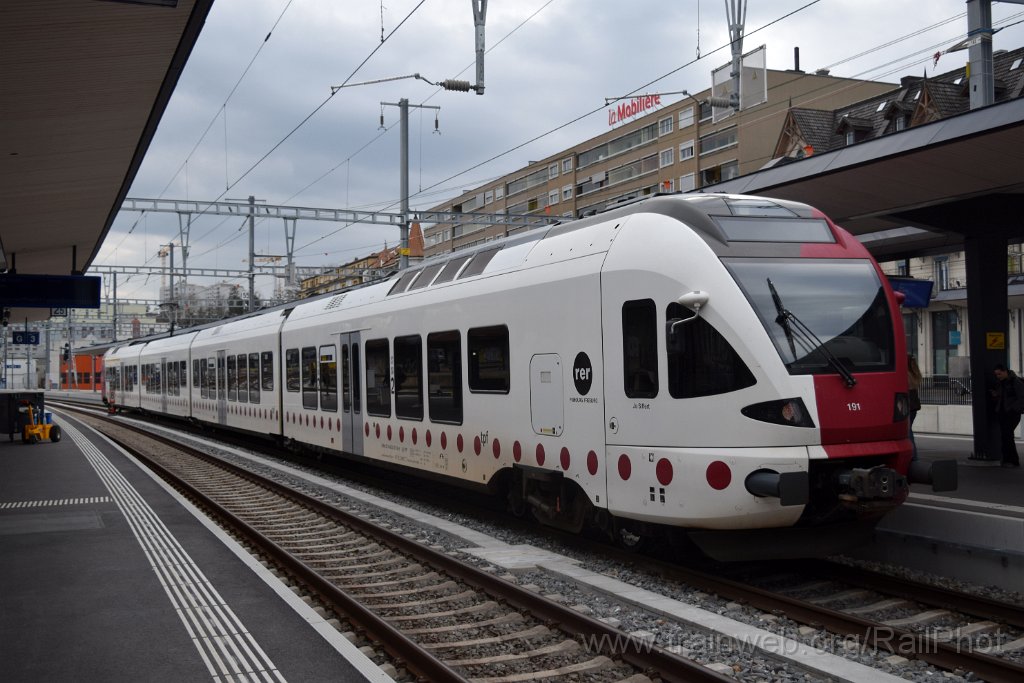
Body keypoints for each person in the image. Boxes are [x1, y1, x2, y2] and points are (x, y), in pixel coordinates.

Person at [991, 363, 1024, 468]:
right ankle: (1008, 459)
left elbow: (1022, 397)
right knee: (1005, 436)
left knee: (1007, 436)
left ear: (1005, 371)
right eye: (996, 375)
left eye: (999, 374)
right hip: (1002, 412)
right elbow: (1004, 397)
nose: (998, 376)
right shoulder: (1001, 383)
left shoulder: (1015, 382)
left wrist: (1013, 409)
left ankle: (1012, 460)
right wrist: (996, 395)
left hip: (1011, 413)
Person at [907, 355, 922, 461]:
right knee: (909, 431)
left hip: (907, 408)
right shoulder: (915, 374)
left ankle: (913, 456)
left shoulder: (905, 375)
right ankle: (913, 455)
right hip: (914, 408)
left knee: (908, 432)